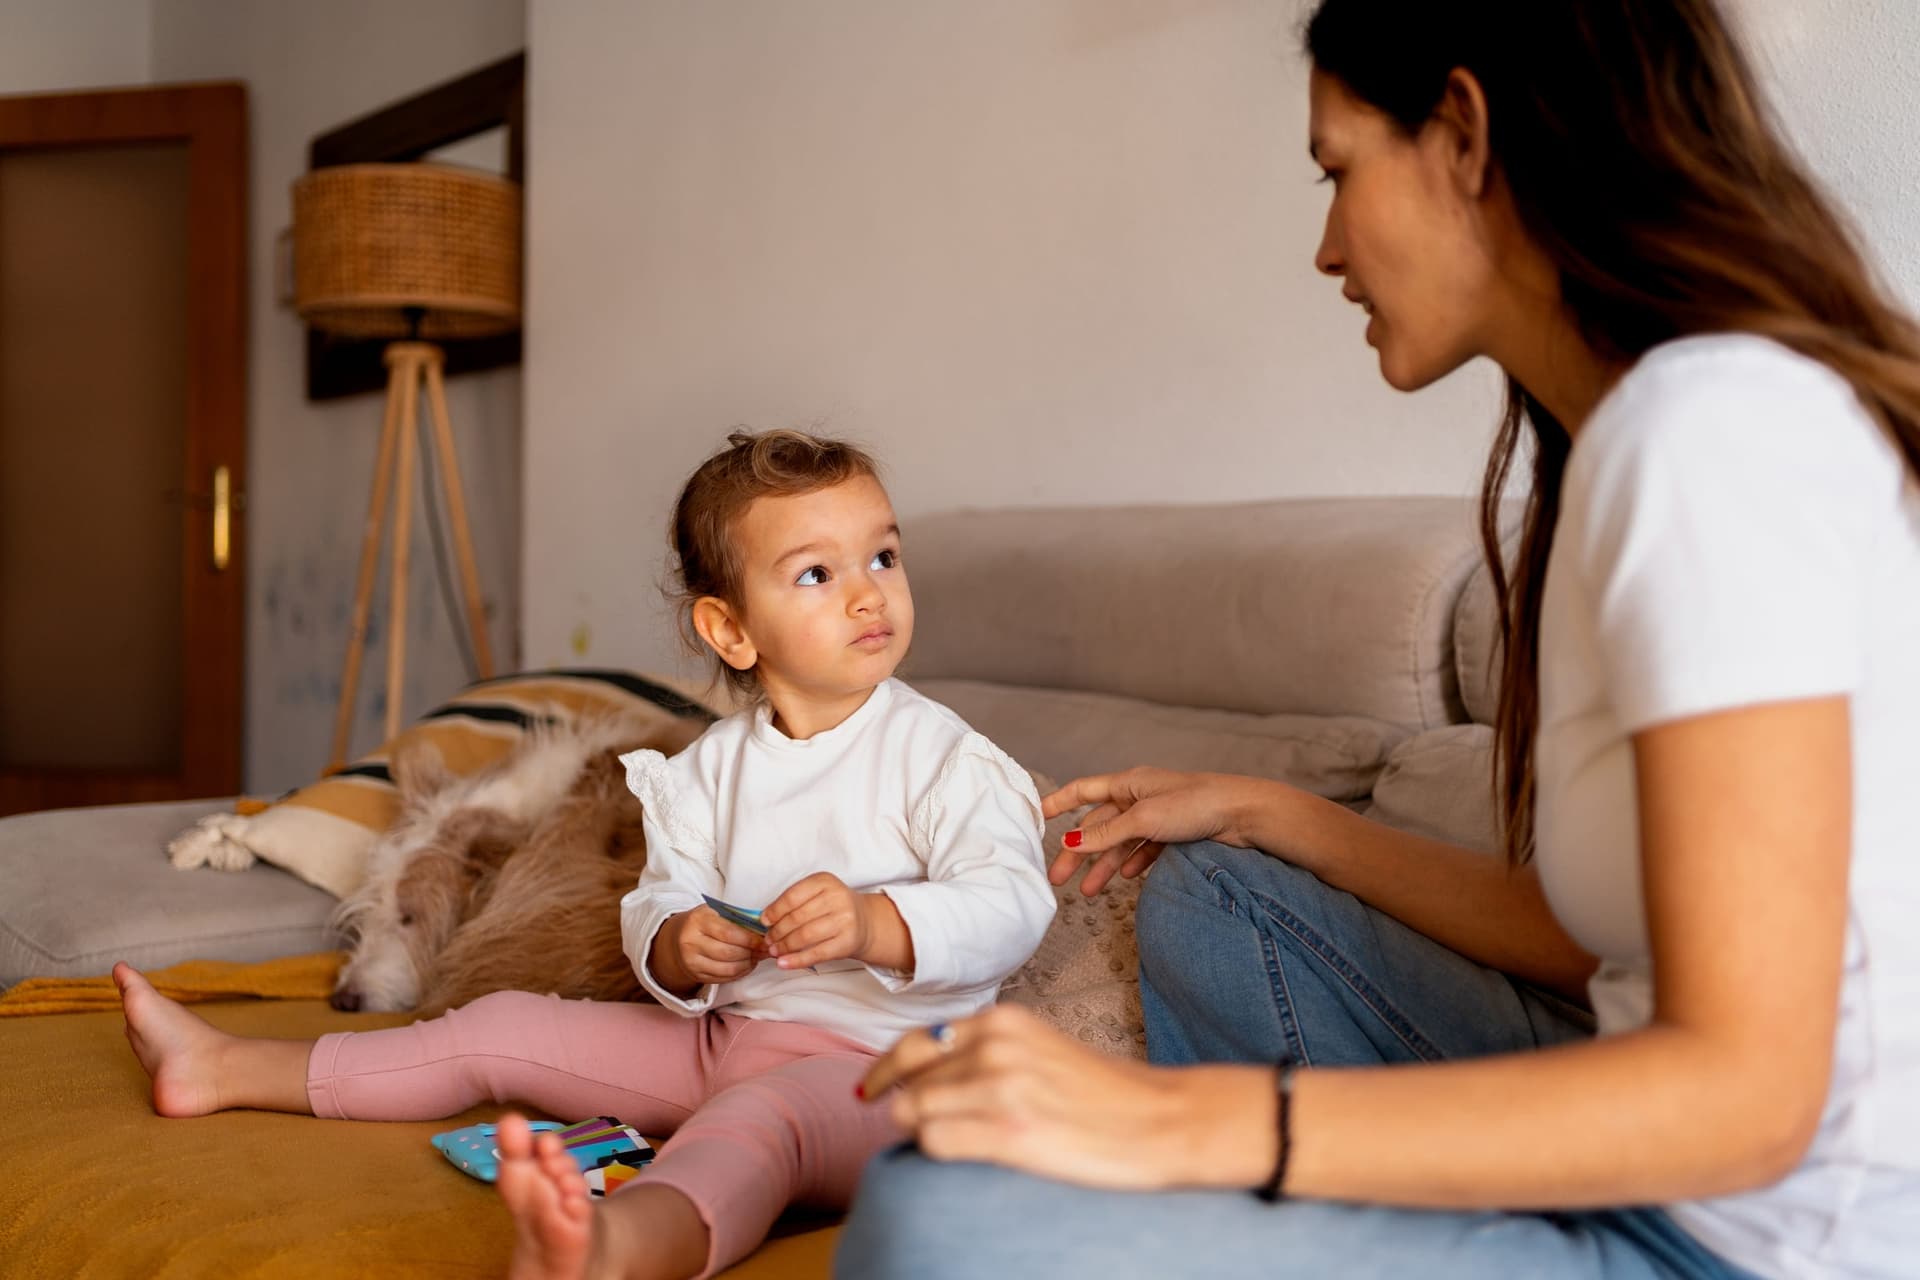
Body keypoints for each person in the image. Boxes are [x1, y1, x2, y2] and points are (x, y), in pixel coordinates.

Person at [835, 2, 1920, 1277]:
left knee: (935, 1219)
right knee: (1216, 891)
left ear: (1462, 133)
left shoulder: (1708, 436)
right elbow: (1614, 942)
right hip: (1655, 1132)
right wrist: (1268, 809)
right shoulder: (1624, 449)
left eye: (1338, 170)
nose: (1328, 246)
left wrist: (1185, 1126)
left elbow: (1748, 1096)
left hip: (1752, 1238)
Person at [113, 428, 1056, 1280]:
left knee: (761, 1125)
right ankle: (227, 1067)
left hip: (887, 1076)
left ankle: (619, 1246)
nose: (867, 592)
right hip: (721, 1042)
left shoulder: (947, 761)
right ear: (729, 629)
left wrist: (876, 921)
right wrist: (679, 946)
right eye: (817, 573)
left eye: (883, 556)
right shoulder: (708, 771)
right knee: (499, 1025)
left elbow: (1013, 906)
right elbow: (656, 901)